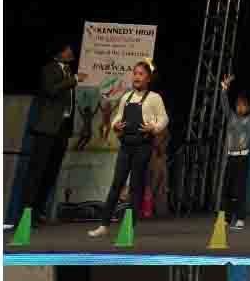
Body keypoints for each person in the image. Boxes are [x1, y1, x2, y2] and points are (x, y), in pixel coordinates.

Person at [87, 61, 168, 238]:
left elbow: (164, 119)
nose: (136, 77)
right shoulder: (126, 97)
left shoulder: (154, 98)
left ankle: (129, 226)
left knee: (135, 187)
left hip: (143, 145)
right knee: (116, 184)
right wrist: (116, 125)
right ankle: (103, 225)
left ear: (148, 78)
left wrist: (153, 127)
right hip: (126, 145)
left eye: (140, 74)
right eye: (135, 73)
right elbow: (117, 117)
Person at [22, 42, 83, 223]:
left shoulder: (68, 70)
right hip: (47, 129)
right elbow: (51, 90)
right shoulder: (49, 69)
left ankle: (38, 211)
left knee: (51, 172)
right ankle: (26, 213)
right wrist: (74, 80)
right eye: (67, 49)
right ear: (59, 52)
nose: (71, 52)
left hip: (62, 129)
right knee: (37, 172)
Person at [218, 75, 250, 229]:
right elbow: (224, 104)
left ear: (248, 107)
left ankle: (240, 218)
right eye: (238, 104)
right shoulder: (231, 116)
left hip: (242, 158)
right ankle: (225, 218)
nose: (240, 107)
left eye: (243, 105)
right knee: (227, 189)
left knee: (239, 189)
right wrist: (224, 89)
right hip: (230, 158)